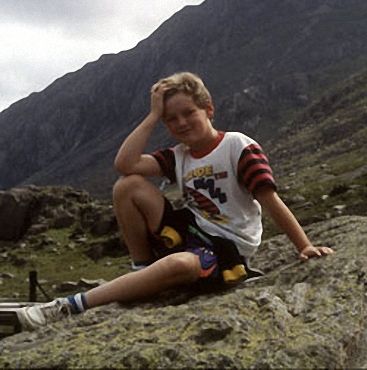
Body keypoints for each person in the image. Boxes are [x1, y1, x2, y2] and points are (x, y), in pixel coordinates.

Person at [17, 71, 333, 331]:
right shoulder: (178, 156)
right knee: (127, 186)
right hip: (189, 232)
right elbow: (125, 165)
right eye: (171, 119)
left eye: (189, 113)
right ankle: (142, 271)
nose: (181, 123)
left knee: (180, 264)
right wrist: (153, 115)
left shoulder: (238, 146)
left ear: (209, 109)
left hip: (226, 248)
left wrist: (303, 245)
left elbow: (270, 199)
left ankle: (69, 307)